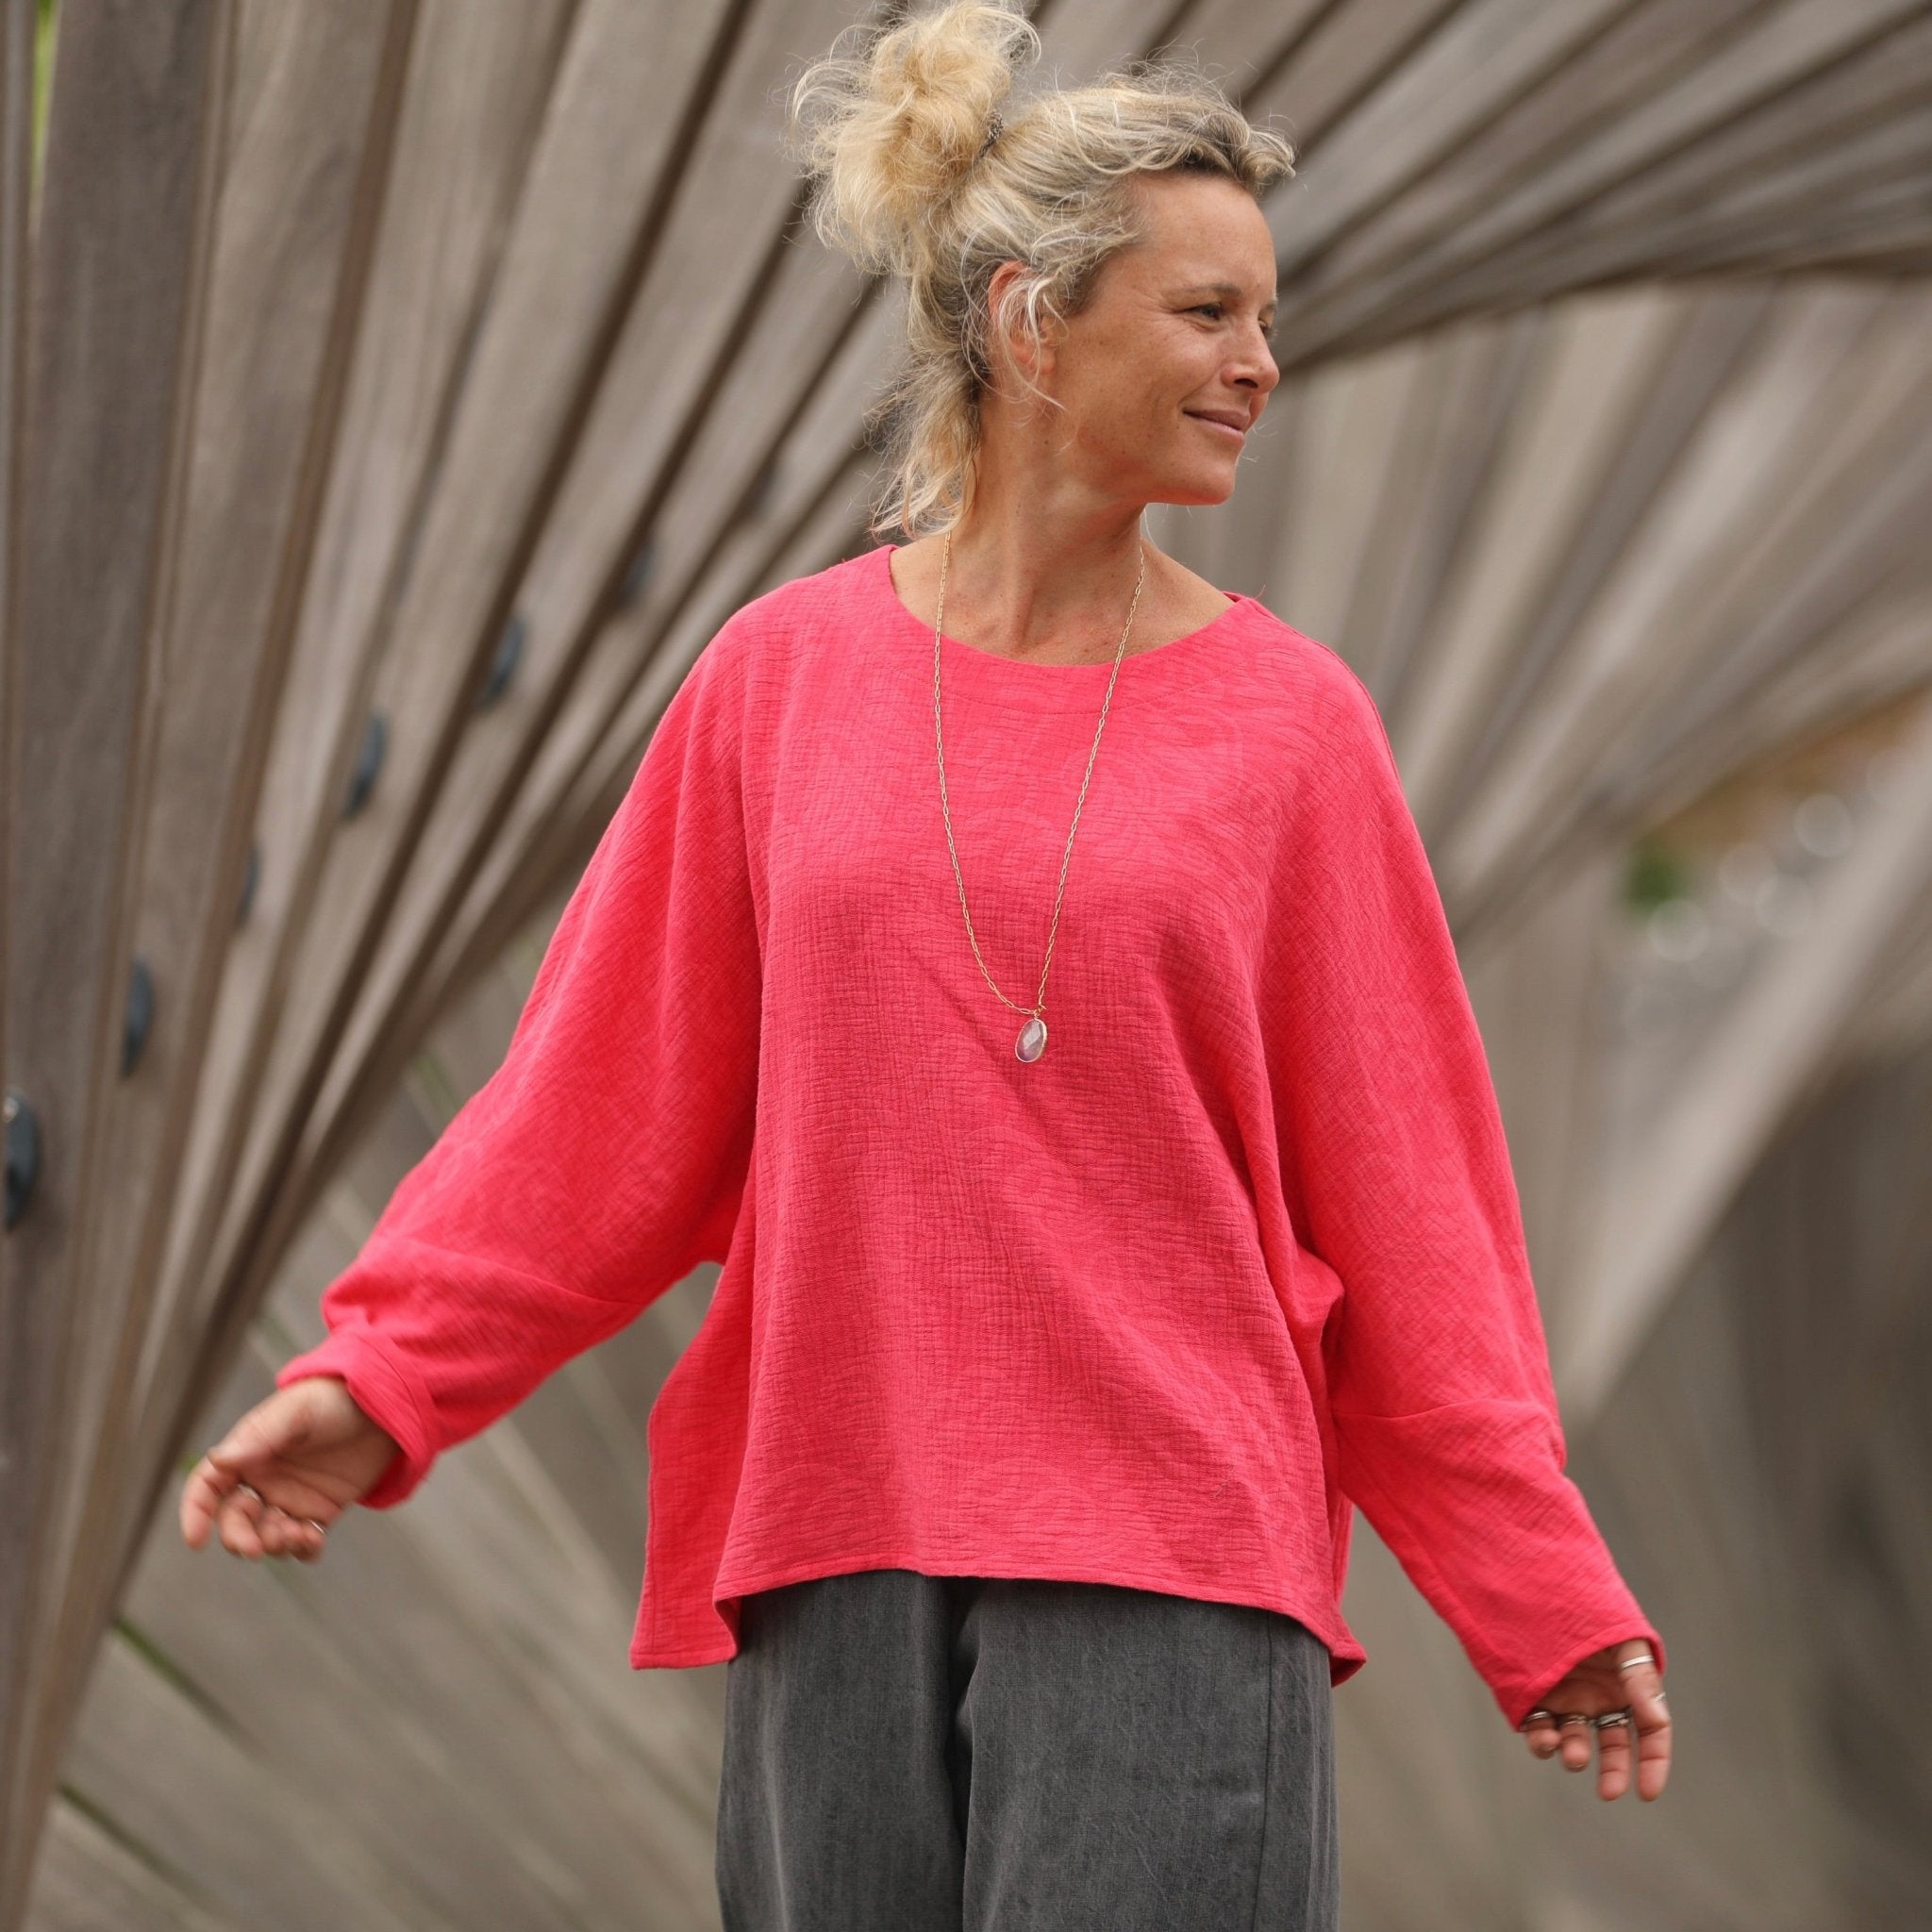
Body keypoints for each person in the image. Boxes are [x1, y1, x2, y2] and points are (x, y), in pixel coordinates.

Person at [178, 3, 1672, 1924]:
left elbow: (1412, 1210)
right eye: (1206, 312)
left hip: (1174, 1569)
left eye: (1264, 315)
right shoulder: (777, 681)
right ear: (1029, 324)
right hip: (836, 1541)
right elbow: (596, 1106)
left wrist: (1536, 1588)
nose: (1261, 363)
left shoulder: (1294, 731)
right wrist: (384, 1378)